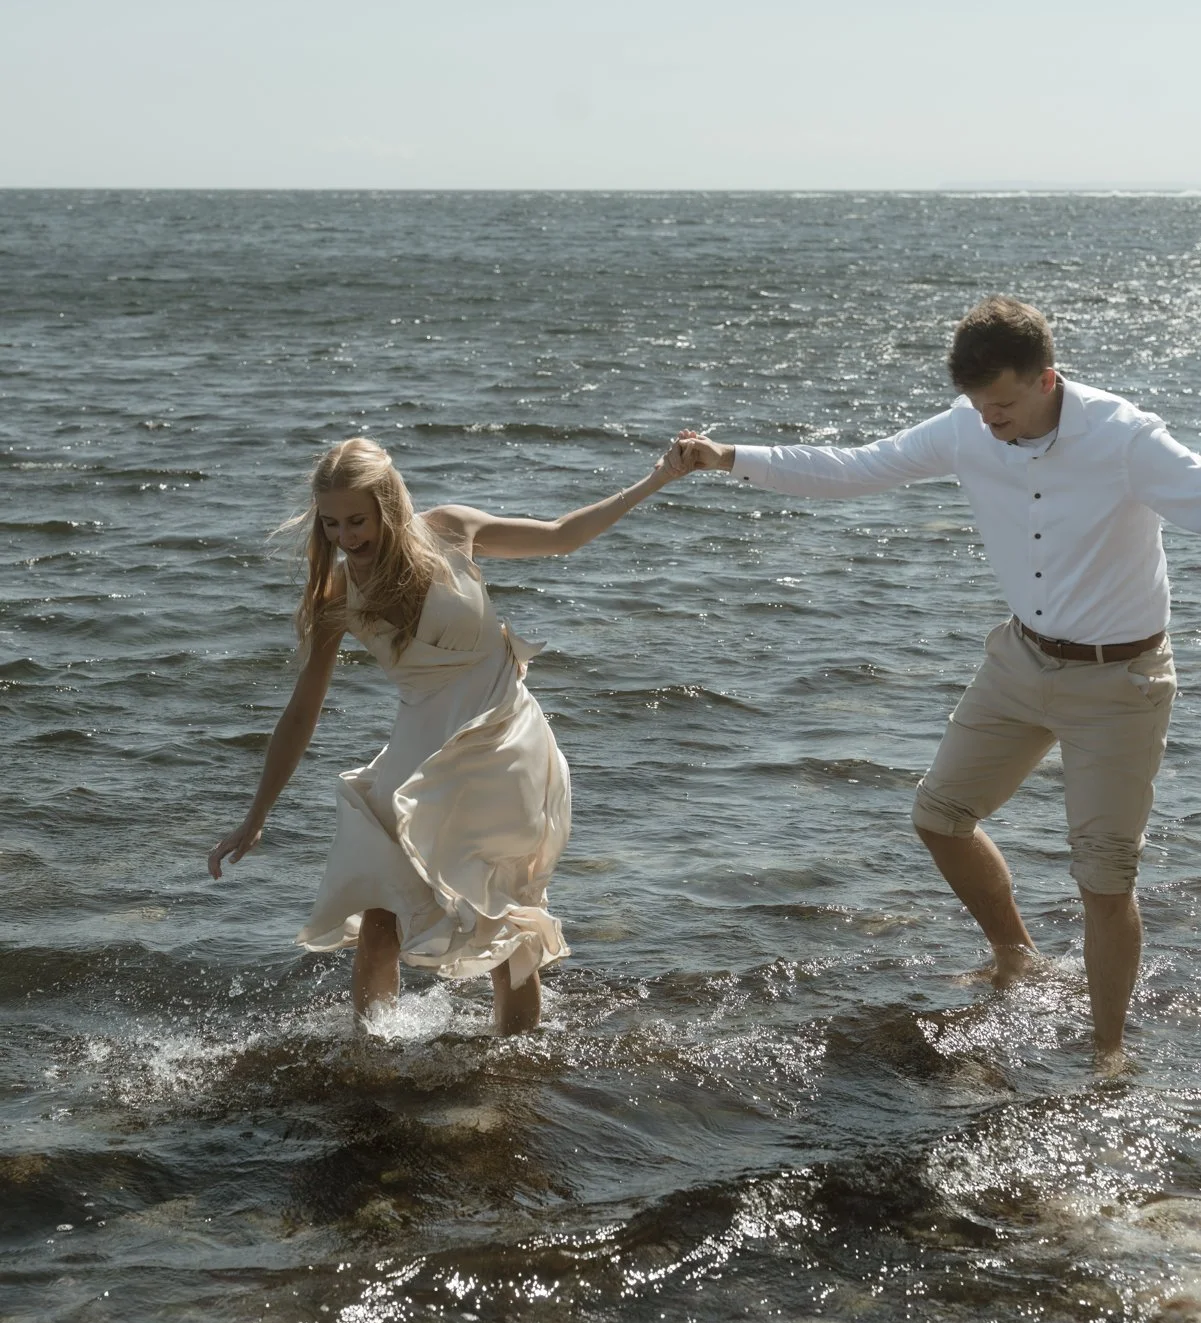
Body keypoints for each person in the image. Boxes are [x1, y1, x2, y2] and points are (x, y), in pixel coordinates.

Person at [669, 295, 1201, 1067]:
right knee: (939, 815)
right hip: (1019, 662)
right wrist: (727, 457)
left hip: (1118, 683)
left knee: (1103, 878)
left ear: (1046, 379)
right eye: (979, 406)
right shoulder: (965, 428)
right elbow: (853, 469)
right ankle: (1016, 955)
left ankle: (1107, 1055)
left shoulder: (1124, 438)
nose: (991, 421)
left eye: (1004, 404)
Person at [208, 436, 683, 1036]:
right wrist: (255, 816)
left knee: (505, 921)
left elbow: (563, 534)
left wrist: (656, 479)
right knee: (381, 915)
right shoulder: (337, 593)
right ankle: (370, 1061)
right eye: (330, 525)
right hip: (419, 751)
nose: (346, 537)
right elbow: (302, 711)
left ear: (389, 505)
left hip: (501, 741)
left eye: (357, 520)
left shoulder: (452, 531)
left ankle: (516, 1071)